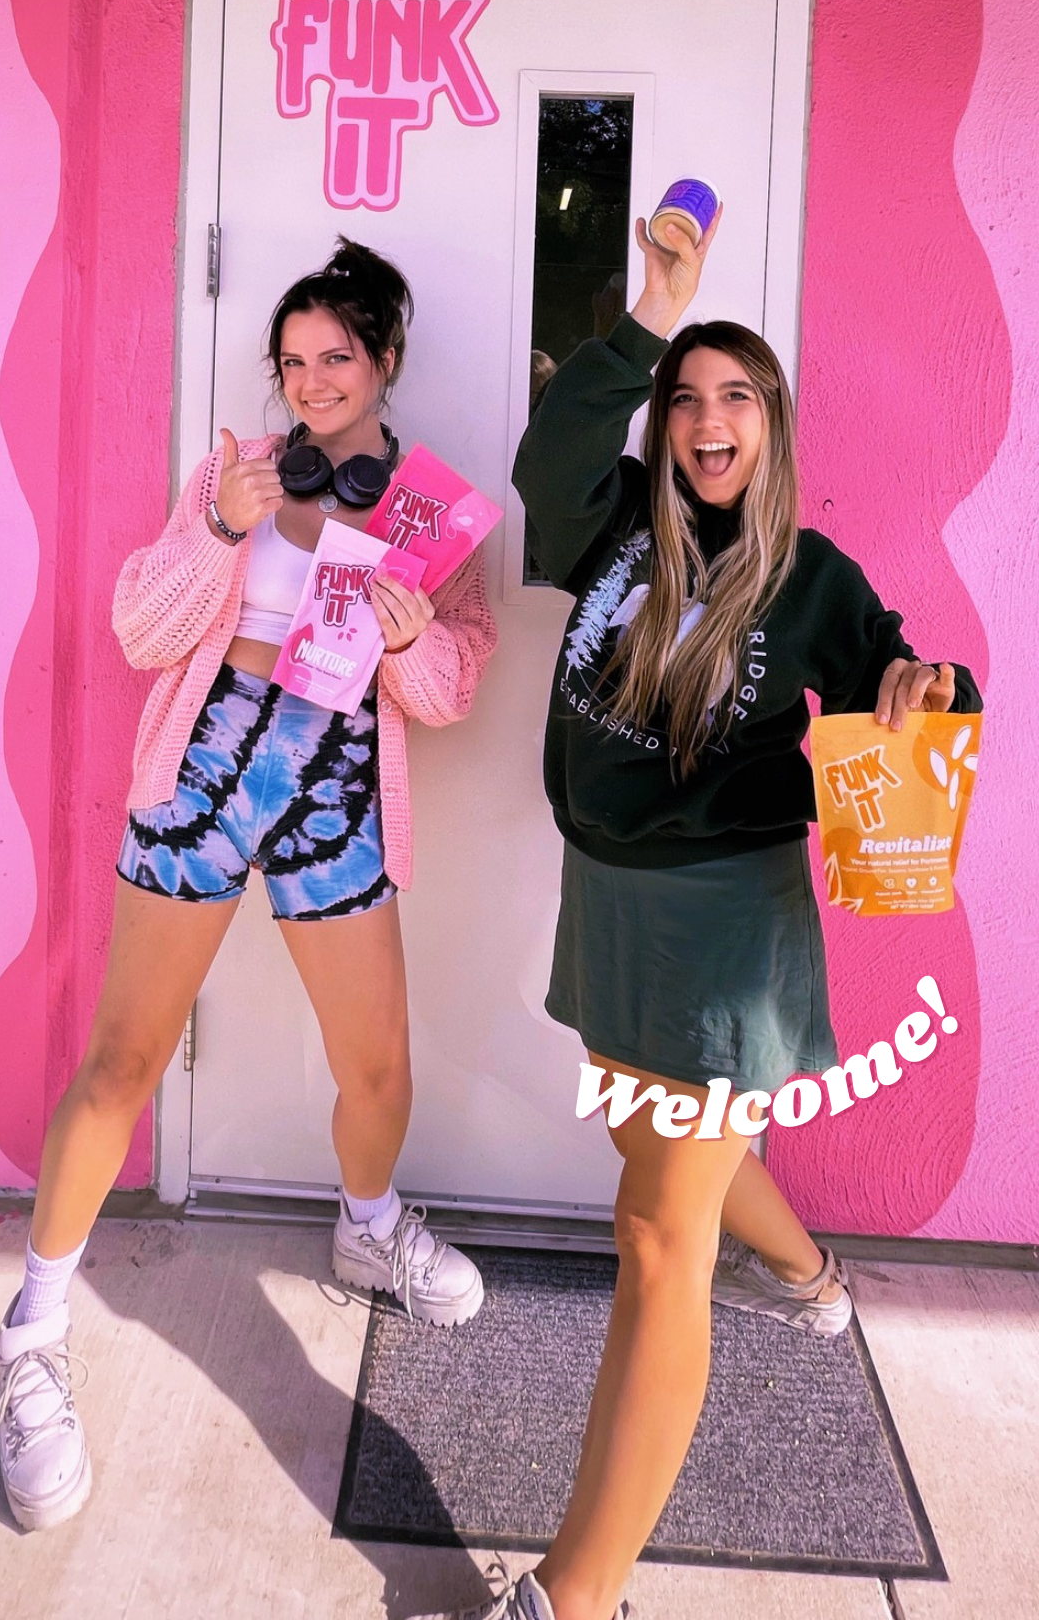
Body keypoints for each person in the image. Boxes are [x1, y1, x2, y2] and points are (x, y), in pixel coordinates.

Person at [413, 211, 981, 1620]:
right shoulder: (613, 523)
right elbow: (548, 458)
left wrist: (924, 690)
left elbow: (908, 679)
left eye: (737, 397)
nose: (708, 418)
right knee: (655, 1150)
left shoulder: (809, 575)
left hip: (729, 927)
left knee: (659, 1238)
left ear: (771, 427)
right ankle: (808, 1272)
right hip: (609, 904)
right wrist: (652, 314)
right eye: (686, 397)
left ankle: (576, 1596)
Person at [0, 238, 498, 1532]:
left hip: (336, 787)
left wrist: (410, 640)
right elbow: (142, 630)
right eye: (293, 361)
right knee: (124, 1059)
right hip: (205, 771)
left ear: (385, 359)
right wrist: (222, 525)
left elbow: (452, 692)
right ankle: (32, 1333)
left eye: (338, 356)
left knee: (378, 1067)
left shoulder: (436, 512)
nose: (313, 381)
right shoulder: (235, 476)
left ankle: (368, 1224)